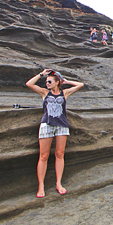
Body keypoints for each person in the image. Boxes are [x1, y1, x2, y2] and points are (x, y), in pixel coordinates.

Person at [26, 69, 84, 198]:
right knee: (43, 156)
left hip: (61, 126)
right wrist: (42, 74)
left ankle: (58, 183)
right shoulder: (44, 93)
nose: (47, 83)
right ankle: (41, 186)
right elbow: (29, 84)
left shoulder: (64, 93)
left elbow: (80, 85)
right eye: (46, 82)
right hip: (47, 124)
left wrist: (66, 81)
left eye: (50, 81)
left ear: (57, 82)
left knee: (59, 154)